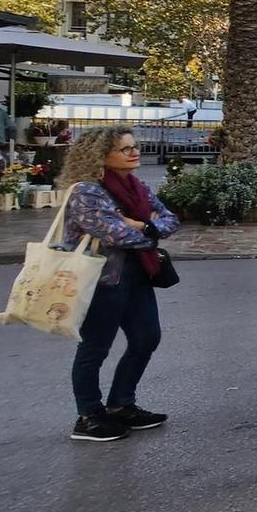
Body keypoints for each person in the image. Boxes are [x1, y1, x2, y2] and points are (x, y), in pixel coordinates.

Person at [58, 127, 180, 442]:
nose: (134, 152)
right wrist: (147, 229)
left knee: (146, 337)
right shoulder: (87, 191)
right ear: (101, 156)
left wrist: (142, 224)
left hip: (138, 273)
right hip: (102, 278)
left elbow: (170, 220)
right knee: (95, 346)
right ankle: (88, 415)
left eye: (134, 146)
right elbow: (114, 234)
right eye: (125, 149)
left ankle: (121, 405)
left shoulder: (136, 187)